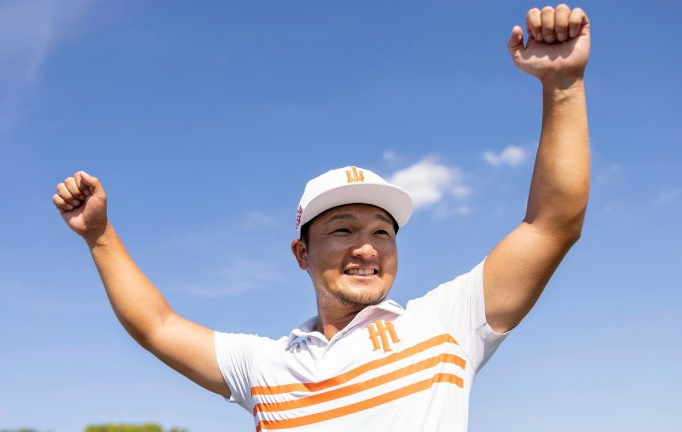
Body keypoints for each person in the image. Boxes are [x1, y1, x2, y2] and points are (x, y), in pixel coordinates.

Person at [52, 5, 590, 431]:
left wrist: (562, 86)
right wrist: (99, 235)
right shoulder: (265, 365)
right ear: (301, 254)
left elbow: (552, 224)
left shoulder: (446, 325)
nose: (367, 247)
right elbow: (158, 326)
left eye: (382, 231)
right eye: (343, 230)